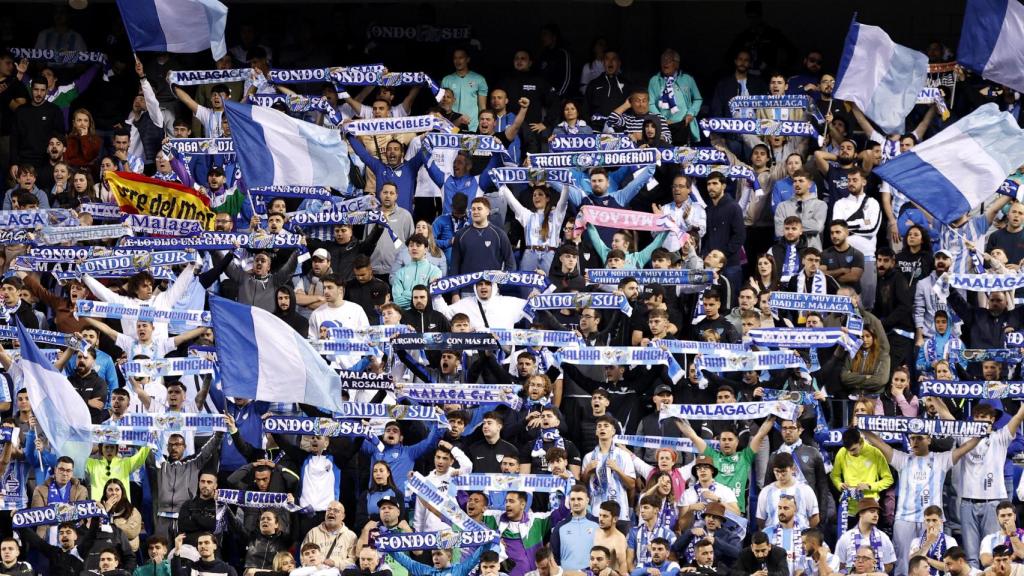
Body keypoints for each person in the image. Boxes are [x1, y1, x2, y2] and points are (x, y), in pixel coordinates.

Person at [862, 425, 983, 576]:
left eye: (919, 437)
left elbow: (964, 448)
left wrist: (981, 434)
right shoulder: (902, 459)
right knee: (904, 563)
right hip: (905, 519)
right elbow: (880, 444)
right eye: (912, 438)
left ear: (929, 439)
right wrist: (864, 430)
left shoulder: (941, 459)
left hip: (932, 521)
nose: (915, 442)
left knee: (935, 559)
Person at [835, 498, 897, 574]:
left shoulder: (883, 538)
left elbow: (889, 564)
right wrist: (853, 572)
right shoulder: (846, 538)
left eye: (877, 513)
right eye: (872, 512)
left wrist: (874, 574)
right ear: (861, 513)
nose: (876, 515)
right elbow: (840, 565)